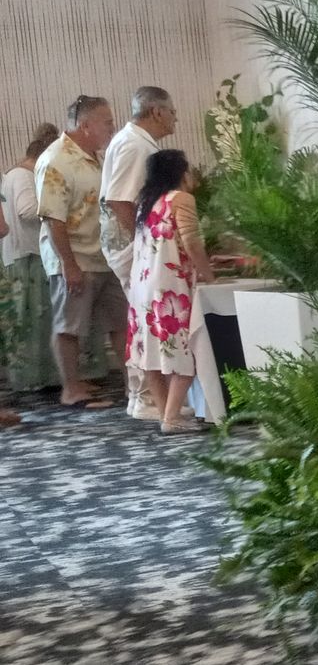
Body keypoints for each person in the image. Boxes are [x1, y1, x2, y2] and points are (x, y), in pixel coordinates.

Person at [35, 95, 124, 409]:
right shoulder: (56, 160)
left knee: (121, 321)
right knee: (69, 326)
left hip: (105, 255)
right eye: (107, 122)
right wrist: (68, 264)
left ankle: (137, 384)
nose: (112, 128)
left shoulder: (95, 157)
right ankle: (71, 388)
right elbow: (52, 218)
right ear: (85, 126)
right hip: (74, 258)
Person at [101, 86, 177, 421]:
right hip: (132, 246)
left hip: (131, 244)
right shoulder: (135, 144)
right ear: (157, 111)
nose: (175, 119)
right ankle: (146, 398)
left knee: (143, 318)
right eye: (172, 112)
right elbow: (120, 200)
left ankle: (142, 396)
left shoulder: (134, 141)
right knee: (147, 320)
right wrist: (146, 242)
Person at [127, 148, 213, 434]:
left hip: (142, 285)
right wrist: (208, 274)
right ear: (181, 172)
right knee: (184, 350)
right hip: (170, 285)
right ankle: (172, 417)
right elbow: (192, 243)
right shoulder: (181, 199)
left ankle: (166, 413)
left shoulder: (145, 203)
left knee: (152, 353)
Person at [1, 122, 60, 400]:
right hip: (27, 254)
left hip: (25, 254)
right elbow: (26, 210)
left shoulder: (14, 175)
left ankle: (40, 377)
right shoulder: (23, 176)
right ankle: (33, 378)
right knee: (33, 320)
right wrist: (58, 209)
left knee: (36, 319)